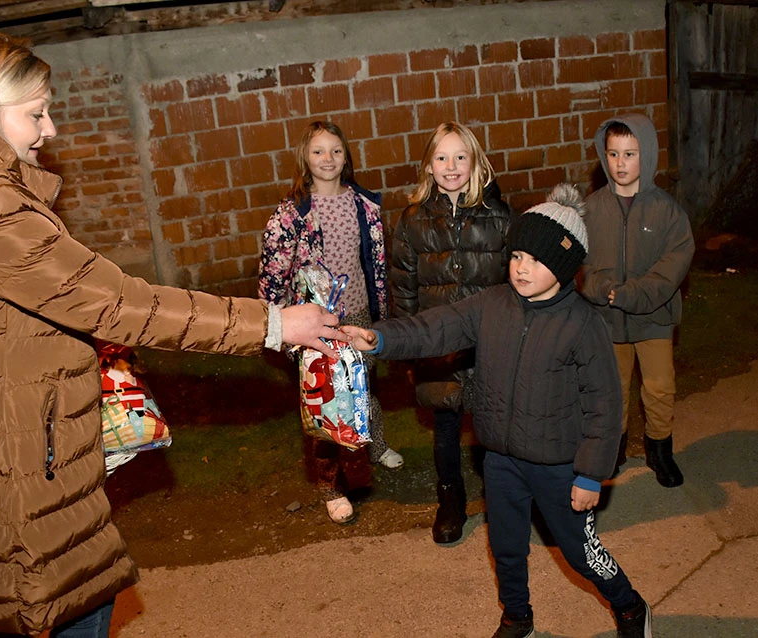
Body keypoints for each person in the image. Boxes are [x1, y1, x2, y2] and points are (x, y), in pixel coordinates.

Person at [0, 32, 346, 638]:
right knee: (70, 597)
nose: (48, 130)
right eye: (36, 113)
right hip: (3, 454)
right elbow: (120, 303)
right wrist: (276, 323)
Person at [343, 184, 652, 638]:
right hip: (501, 458)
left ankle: (629, 606)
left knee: (580, 551)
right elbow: (437, 327)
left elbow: (605, 405)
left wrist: (591, 475)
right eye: (517, 256)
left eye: (536, 260)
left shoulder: (583, 325)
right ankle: (517, 616)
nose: (522, 267)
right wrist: (382, 339)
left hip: (559, 465)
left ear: (565, 270)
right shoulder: (492, 305)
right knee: (505, 546)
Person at [258, 120, 402, 526]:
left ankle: (375, 444)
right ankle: (331, 485)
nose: (328, 159)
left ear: (346, 156)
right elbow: (273, 275)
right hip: (315, 323)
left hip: (357, 314)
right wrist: (277, 326)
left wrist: (381, 315)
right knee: (325, 402)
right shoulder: (290, 215)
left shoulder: (364, 206)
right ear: (305, 156)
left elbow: (375, 265)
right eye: (318, 151)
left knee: (362, 388)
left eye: (335, 151)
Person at [390, 121, 513, 544]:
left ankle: (503, 500)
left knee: (493, 430)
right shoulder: (411, 222)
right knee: (445, 431)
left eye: (461, 156)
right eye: (441, 157)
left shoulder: (498, 216)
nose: (451, 165)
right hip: (437, 345)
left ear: (475, 162)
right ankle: (451, 501)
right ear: (428, 166)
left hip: (486, 344)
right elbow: (403, 285)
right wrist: (409, 346)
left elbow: (515, 281)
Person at [581, 113, 695, 488]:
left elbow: (673, 265)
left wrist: (633, 294)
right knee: (612, 387)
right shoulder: (592, 209)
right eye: (613, 154)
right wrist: (599, 289)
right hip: (607, 318)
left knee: (660, 385)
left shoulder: (666, 211)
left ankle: (659, 449)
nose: (620, 164)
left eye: (630, 154)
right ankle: (611, 449)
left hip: (653, 318)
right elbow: (579, 264)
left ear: (646, 155)